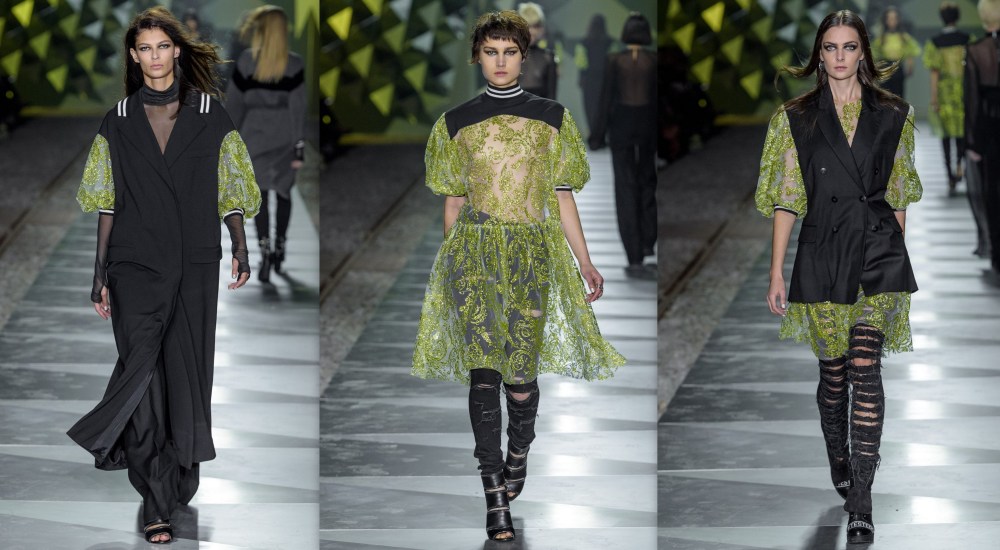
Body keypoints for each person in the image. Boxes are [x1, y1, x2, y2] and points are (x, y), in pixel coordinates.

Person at [410, 10, 625, 542]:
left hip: (531, 256)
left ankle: (519, 450)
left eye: (510, 52)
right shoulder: (455, 122)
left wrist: (585, 261)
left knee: (521, 380)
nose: (500, 61)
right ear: (477, 57)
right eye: (491, 52)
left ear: (524, 57)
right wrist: (452, 266)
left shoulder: (552, 118)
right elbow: (453, 202)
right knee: (484, 374)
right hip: (475, 255)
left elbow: (562, 196)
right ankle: (494, 495)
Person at [68, 7, 260, 544]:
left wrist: (240, 245)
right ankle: (155, 497)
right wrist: (99, 272)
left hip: (194, 261)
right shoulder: (118, 119)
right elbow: (107, 202)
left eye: (162, 46)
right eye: (144, 48)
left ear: (176, 50)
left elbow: (231, 187)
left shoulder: (211, 114)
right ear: (134, 56)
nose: (154, 56)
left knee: (185, 372)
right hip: (134, 263)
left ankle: (178, 473)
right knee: (144, 376)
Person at [755, 10, 922, 545]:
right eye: (831, 47)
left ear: (864, 52)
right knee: (834, 375)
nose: (841, 57)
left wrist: (897, 254)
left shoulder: (893, 114)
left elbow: (899, 194)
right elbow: (787, 198)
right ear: (819, 54)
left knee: (865, 366)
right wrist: (777, 271)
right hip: (823, 251)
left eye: (850, 47)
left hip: (877, 251)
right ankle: (839, 457)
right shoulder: (796, 117)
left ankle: (863, 497)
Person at [226, 5, 306, 283]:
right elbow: (298, 107)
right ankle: (279, 247)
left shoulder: (247, 61)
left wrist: (227, 139)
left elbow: (235, 105)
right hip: (284, 135)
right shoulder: (294, 64)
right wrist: (298, 145)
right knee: (283, 193)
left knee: (259, 195)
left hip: (254, 136)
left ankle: (264, 252)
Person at [589, 13, 657, 279]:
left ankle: (634, 255)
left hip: (621, 127)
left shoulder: (614, 60)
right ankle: (647, 241)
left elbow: (605, 98)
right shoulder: (654, 60)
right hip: (648, 126)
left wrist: (597, 135)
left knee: (625, 188)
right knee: (647, 183)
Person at [965, 0, 1000, 277]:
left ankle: (997, 255)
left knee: (992, 192)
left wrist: (972, 141)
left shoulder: (977, 50)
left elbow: (972, 101)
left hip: (989, 129)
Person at [924, 2, 971, 195]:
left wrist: (934, 98)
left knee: (945, 134)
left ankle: (949, 174)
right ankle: (959, 164)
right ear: (957, 17)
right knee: (962, 131)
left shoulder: (935, 43)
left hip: (944, 93)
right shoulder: (967, 40)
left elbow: (934, 73)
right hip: (964, 91)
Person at [575, 14, 613, 135]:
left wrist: (581, 78)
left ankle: (593, 134)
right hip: (605, 80)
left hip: (589, 80)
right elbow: (613, 63)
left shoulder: (584, 42)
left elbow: (581, 63)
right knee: (604, 108)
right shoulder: (610, 42)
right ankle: (601, 135)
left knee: (590, 108)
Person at [872, 6, 921, 98]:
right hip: (885, 69)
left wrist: (910, 65)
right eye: (889, 18)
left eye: (894, 18)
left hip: (898, 68)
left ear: (898, 20)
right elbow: (875, 56)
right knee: (885, 97)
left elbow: (910, 51)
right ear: (885, 20)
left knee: (898, 96)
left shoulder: (904, 37)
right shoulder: (881, 39)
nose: (892, 21)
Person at [516, 2, 558, 99]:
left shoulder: (548, 58)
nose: (531, 31)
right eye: (527, 26)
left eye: (535, 26)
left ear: (542, 29)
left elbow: (552, 98)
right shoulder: (507, 57)